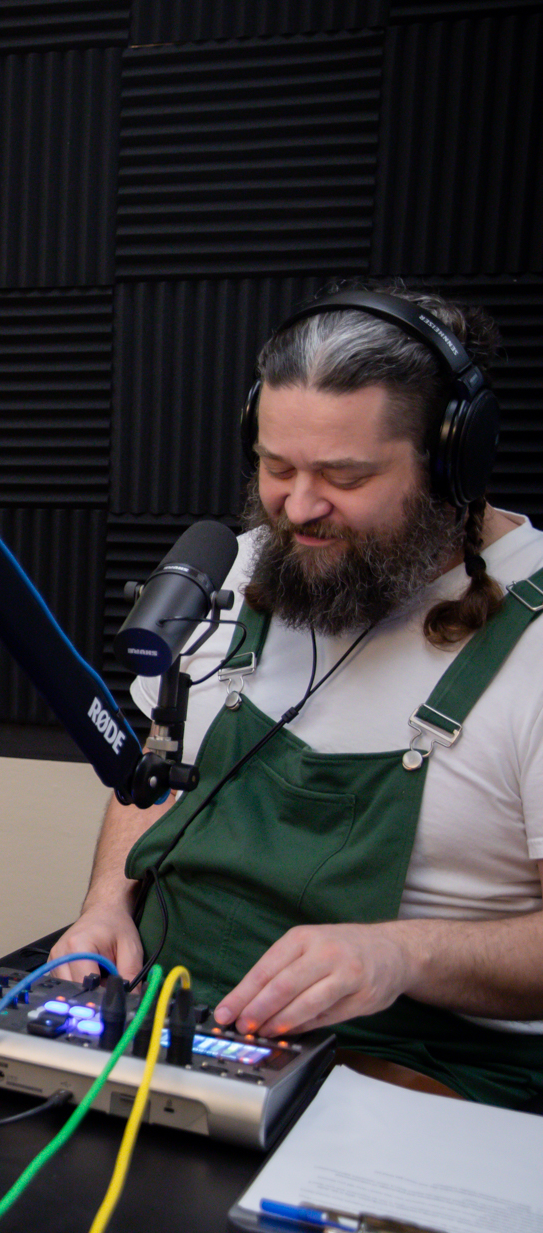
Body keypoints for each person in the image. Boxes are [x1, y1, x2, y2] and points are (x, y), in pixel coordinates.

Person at [49, 285, 543, 1106]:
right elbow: (155, 764)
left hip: (422, 1072)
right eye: (278, 468)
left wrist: (403, 955)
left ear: (455, 460)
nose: (300, 509)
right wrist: (106, 904)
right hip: (176, 1025)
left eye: (344, 477)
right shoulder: (241, 569)